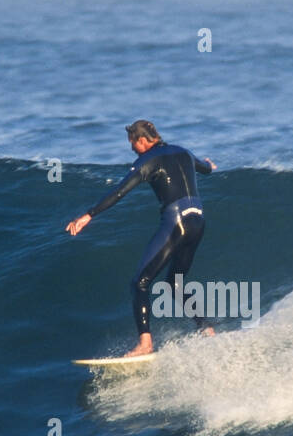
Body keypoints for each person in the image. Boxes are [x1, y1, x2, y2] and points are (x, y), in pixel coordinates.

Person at [66, 120, 216, 356]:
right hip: (198, 221)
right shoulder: (184, 152)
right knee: (173, 285)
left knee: (140, 283)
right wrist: (208, 164)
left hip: (176, 221)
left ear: (143, 141)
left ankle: (145, 344)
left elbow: (119, 191)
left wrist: (89, 215)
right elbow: (206, 169)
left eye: (133, 144)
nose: (132, 150)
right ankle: (206, 329)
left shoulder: (147, 160)